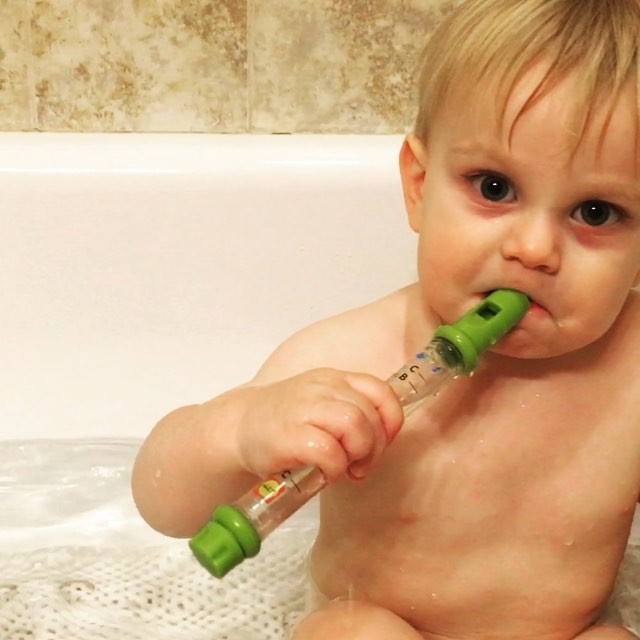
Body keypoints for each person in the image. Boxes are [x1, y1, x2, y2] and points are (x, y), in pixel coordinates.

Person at [131, 0, 640, 637]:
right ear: (419, 186)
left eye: (595, 212)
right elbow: (163, 504)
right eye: (493, 187)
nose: (534, 250)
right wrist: (242, 428)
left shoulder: (631, 369)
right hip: (380, 620)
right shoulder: (349, 355)